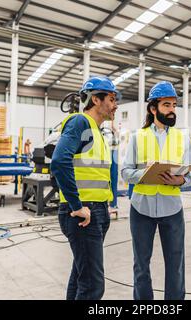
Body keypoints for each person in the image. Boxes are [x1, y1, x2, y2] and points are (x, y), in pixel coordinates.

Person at [121, 81, 191, 300]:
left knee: (175, 265)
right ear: (153, 109)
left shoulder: (182, 138)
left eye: (174, 105)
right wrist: (146, 174)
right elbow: (125, 172)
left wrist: (179, 179)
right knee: (141, 265)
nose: (172, 110)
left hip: (172, 210)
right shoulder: (137, 137)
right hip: (140, 209)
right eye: (166, 105)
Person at [51, 76, 119, 300]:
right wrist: (77, 205)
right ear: (96, 100)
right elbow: (59, 162)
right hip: (83, 215)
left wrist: (105, 205)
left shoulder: (96, 131)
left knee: (82, 277)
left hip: (96, 211)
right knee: (92, 286)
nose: (115, 105)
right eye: (111, 99)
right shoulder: (80, 122)